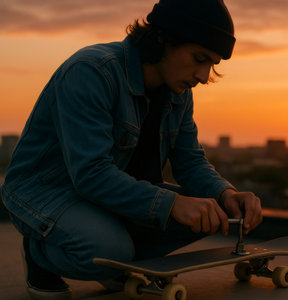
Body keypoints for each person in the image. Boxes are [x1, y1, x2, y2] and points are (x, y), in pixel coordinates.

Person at [1, 0, 263, 299]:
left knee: (214, 214)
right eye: (199, 58)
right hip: (48, 192)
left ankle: (113, 262)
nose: (203, 76)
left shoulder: (179, 92)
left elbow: (190, 162)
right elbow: (91, 174)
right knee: (109, 249)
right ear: (163, 39)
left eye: (211, 66)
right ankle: (41, 254)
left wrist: (226, 195)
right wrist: (172, 205)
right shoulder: (91, 72)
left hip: (112, 198)